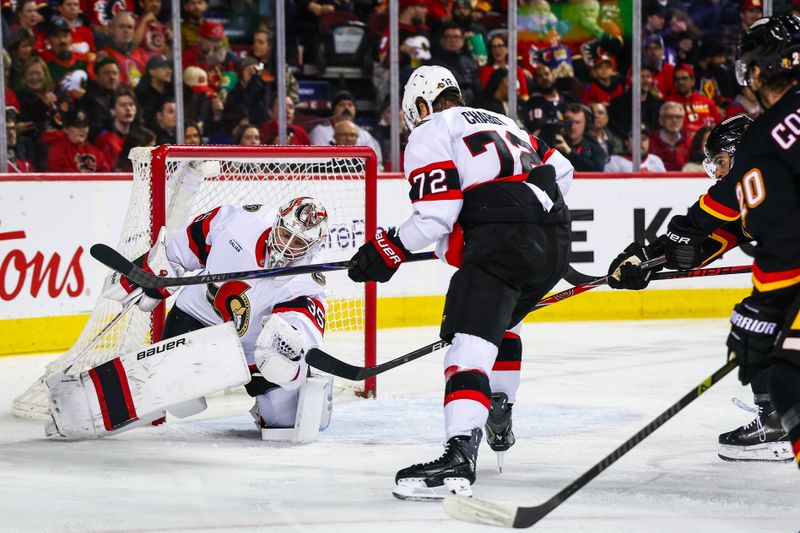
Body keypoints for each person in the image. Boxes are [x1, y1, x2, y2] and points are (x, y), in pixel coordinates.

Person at [346, 65, 573, 500]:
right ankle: (500, 407)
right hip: (554, 240)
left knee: (467, 345)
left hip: (501, 243)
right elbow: (562, 172)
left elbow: (436, 215)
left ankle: (458, 456)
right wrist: (528, 210)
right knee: (505, 323)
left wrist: (386, 250)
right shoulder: (506, 122)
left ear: (421, 105)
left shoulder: (432, 128)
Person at [607, 50, 795, 465]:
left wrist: (655, 250)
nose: (719, 172)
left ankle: (777, 423)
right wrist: (652, 261)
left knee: (762, 326)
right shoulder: (752, 185)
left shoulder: (759, 168)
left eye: (722, 162)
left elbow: (700, 220)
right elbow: (703, 241)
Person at [59, 194, 333, 441]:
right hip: (196, 320)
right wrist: (151, 274)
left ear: (313, 246)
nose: (288, 248)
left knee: (287, 424)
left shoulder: (308, 278)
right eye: (286, 235)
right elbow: (183, 248)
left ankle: (293, 395)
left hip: (254, 349)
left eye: (299, 243)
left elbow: (302, 324)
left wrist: (286, 349)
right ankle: (81, 407)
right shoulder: (239, 222)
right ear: (277, 223)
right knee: (178, 398)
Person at [309, 90, 382, 167]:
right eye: (341, 105)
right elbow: (320, 162)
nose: (346, 108)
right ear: (334, 110)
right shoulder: (320, 131)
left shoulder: (365, 135)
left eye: (350, 105)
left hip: (360, 177)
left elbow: (375, 164)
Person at [46, 108, 111, 172]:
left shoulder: (96, 153)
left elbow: (106, 176)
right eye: (77, 126)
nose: (82, 130)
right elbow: (61, 178)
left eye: (85, 125)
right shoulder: (57, 149)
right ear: (65, 129)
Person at [98, 11, 149, 87]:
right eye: (121, 26)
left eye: (130, 27)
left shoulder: (141, 53)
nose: (126, 31)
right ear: (111, 29)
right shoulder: (105, 54)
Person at [93, 86, 138, 166]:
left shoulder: (140, 137)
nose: (128, 109)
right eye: (123, 105)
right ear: (113, 111)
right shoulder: (105, 141)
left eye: (131, 104)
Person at [78, 56, 120, 138]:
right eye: (106, 73)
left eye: (115, 73)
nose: (112, 77)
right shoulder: (91, 99)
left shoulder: (123, 93)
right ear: (96, 77)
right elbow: (96, 131)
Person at [648, 101, 692, 171]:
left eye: (678, 117)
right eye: (669, 116)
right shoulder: (649, 141)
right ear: (661, 120)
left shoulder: (690, 142)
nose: (674, 120)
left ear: (683, 120)